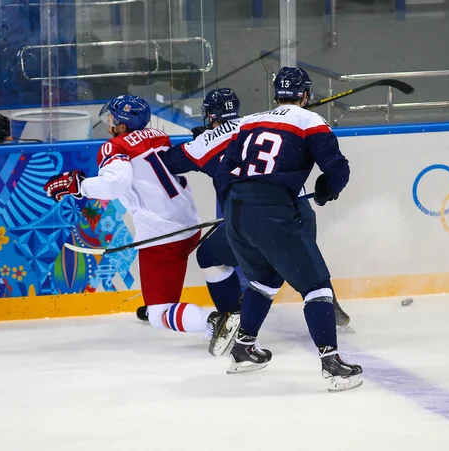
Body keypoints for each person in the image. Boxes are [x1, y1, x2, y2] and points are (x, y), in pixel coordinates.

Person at [43, 94, 239, 356]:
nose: (109, 121)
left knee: (160, 314)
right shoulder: (159, 135)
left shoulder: (115, 147)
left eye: (112, 117)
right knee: (188, 269)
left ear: (123, 124)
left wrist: (79, 186)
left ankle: (213, 321)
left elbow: (115, 185)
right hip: (189, 227)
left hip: (163, 236)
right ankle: (188, 304)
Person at [153, 87, 351, 333]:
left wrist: (200, 138)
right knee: (303, 257)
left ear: (211, 116)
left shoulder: (203, 143)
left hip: (253, 215)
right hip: (299, 209)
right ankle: (328, 302)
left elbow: (167, 161)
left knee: (209, 256)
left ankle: (232, 319)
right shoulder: (258, 121)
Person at [215, 68, 363, 392]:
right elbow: (338, 169)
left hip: (236, 212)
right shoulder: (311, 122)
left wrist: (236, 203)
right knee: (317, 286)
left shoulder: (250, 120)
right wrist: (325, 190)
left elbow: (223, 171)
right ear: (305, 95)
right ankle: (333, 364)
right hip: (271, 213)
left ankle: (244, 348)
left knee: (265, 279)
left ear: (275, 94)